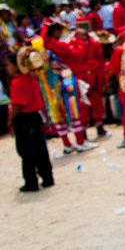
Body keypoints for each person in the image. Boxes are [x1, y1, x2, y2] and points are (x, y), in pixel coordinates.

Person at [41, 18, 98, 153]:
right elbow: (76, 54)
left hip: (51, 83)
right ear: (55, 31)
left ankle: (67, 144)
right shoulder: (57, 44)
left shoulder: (43, 45)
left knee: (57, 112)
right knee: (74, 109)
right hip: (66, 80)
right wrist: (78, 41)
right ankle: (80, 142)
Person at [7, 49, 54, 192]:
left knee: (27, 152)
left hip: (23, 119)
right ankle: (47, 178)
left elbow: (17, 105)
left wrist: (10, 120)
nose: (7, 68)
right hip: (36, 116)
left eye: (9, 65)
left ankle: (31, 182)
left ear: (17, 65)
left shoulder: (16, 82)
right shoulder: (32, 79)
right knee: (40, 149)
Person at [70, 18, 109, 139]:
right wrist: (79, 42)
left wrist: (104, 79)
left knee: (97, 102)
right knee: (83, 105)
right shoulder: (72, 43)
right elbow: (77, 57)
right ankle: (83, 133)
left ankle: (100, 127)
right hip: (81, 77)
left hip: (95, 75)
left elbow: (101, 61)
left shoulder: (94, 42)